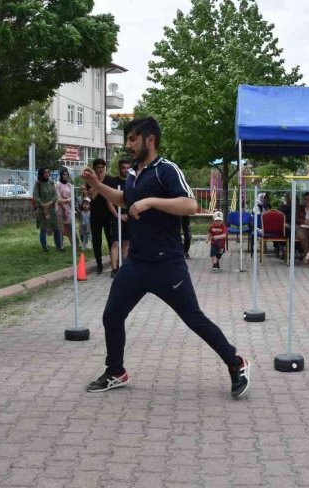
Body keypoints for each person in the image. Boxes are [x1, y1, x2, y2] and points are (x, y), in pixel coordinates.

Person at [80, 116, 250, 398]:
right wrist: (96, 184)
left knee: (194, 319)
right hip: (136, 263)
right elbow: (125, 199)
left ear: (150, 140)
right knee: (112, 315)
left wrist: (150, 202)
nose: (128, 145)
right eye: (127, 139)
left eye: (133, 139)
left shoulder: (166, 170)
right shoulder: (134, 172)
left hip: (166, 264)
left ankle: (236, 363)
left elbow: (191, 205)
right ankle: (115, 371)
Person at [87, 158, 117, 274]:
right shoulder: (91, 180)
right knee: (97, 240)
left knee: (111, 239)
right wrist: (98, 181)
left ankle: (114, 263)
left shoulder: (110, 180)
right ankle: (99, 265)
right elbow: (93, 196)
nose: (100, 170)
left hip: (108, 214)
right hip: (95, 214)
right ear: (94, 168)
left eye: (102, 168)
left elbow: (114, 196)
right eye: (98, 168)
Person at [110, 158, 132, 276]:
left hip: (129, 217)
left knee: (126, 242)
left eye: (128, 168)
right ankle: (114, 268)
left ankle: (125, 267)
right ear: (119, 169)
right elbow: (109, 200)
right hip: (116, 216)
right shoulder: (114, 182)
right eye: (124, 168)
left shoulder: (131, 181)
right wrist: (117, 215)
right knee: (115, 243)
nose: (126, 170)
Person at [32, 167, 58, 253]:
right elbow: (36, 196)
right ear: (41, 174)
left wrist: (50, 203)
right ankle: (45, 247)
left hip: (52, 208)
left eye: (48, 172)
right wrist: (43, 205)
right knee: (43, 229)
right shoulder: (38, 184)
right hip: (42, 210)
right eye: (45, 173)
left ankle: (59, 246)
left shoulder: (51, 183)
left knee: (56, 228)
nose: (47, 174)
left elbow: (55, 196)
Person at [55, 168, 75, 250]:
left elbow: (73, 197)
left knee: (70, 226)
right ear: (61, 175)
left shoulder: (70, 185)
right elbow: (58, 198)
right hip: (60, 208)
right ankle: (60, 246)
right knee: (60, 227)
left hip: (69, 208)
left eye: (67, 174)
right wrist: (67, 200)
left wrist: (67, 201)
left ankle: (74, 244)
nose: (65, 176)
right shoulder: (57, 185)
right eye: (64, 174)